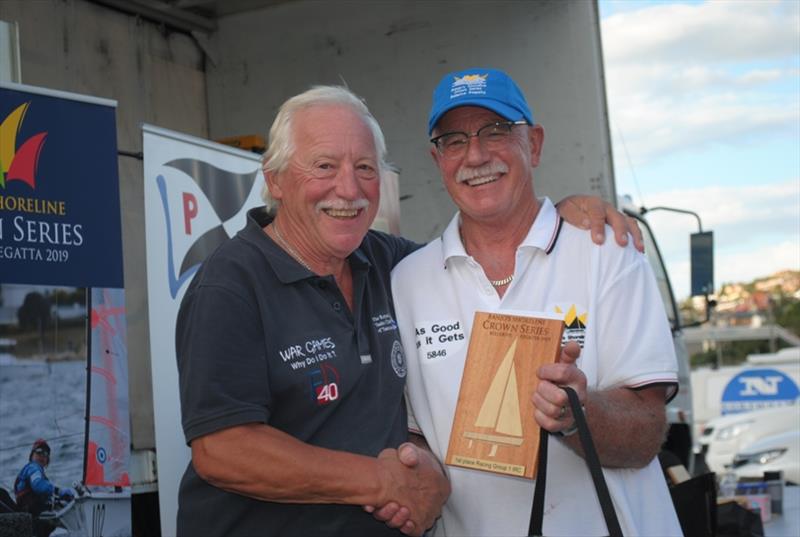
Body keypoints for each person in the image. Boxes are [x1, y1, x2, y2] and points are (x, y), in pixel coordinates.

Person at [175, 84, 640, 537]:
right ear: (274, 179)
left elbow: (485, 249)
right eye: (324, 166)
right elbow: (223, 450)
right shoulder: (230, 285)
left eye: (365, 167)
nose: (349, 188)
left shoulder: (389, 262)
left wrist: (564, 214)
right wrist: (381, 482)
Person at [390, 68, 683, 536]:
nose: (476, 155)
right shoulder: (407, 281)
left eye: (497, 131)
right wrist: (411, 469)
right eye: (454, 140)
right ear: (436, 158)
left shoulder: (606, 252)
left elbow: (647, 430)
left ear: (536, 144)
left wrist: (578, 415)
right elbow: (417, 431)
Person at [14, 439, 75, 537]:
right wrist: (59, 491)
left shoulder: (35, 471)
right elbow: (38, 485)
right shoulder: (33, 468)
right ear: (32, 455)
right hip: (34, 514)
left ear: (48, 460)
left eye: (46, 454)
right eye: (39, 452)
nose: (42, 455)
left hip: (32, 515)